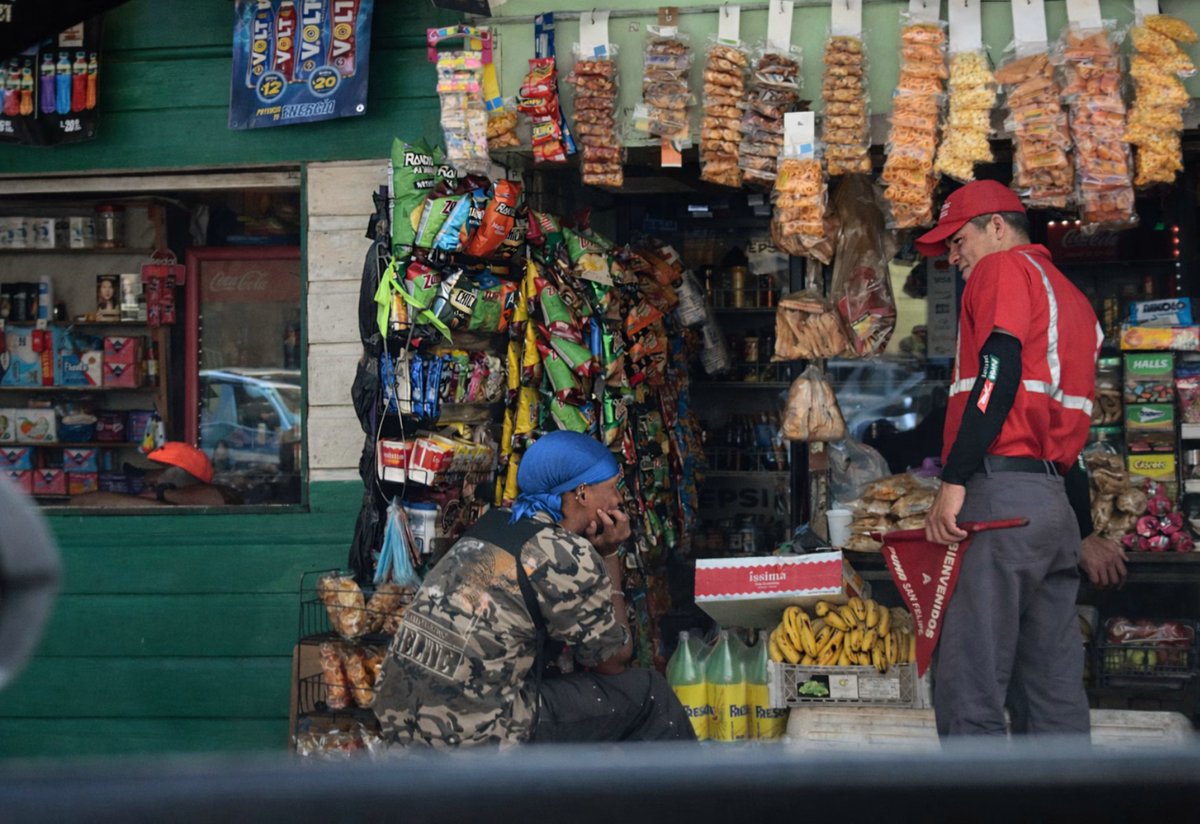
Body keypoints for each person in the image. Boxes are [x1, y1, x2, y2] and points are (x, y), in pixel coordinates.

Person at [915, 180, 1106, 738]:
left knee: (970, 684)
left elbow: (998, 369)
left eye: (958, 240)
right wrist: (1083, 527)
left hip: (1001, 501)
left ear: (997, 227)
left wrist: (955, 478)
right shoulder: (1072, 297)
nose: (953, 257)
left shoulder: (1004, 270)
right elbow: (1065, 426)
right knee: (1052, 692)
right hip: (1052, 509)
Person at [373, 430, 694, 749]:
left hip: (400, 721)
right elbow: (612, 660)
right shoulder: (563, 553)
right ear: (581, 493)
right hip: (471, 731)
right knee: (649, 692)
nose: (619, 500)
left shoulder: (493, 523)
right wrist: (609, 554)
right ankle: (696, 799)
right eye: (612, 488)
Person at [71, 441, 240, 507]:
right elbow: (81, 501)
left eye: (161, 471)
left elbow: (217, 498)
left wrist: (161, 493)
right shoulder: (168, 501)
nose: (151, 478)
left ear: (181, 474)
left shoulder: (203, 500)